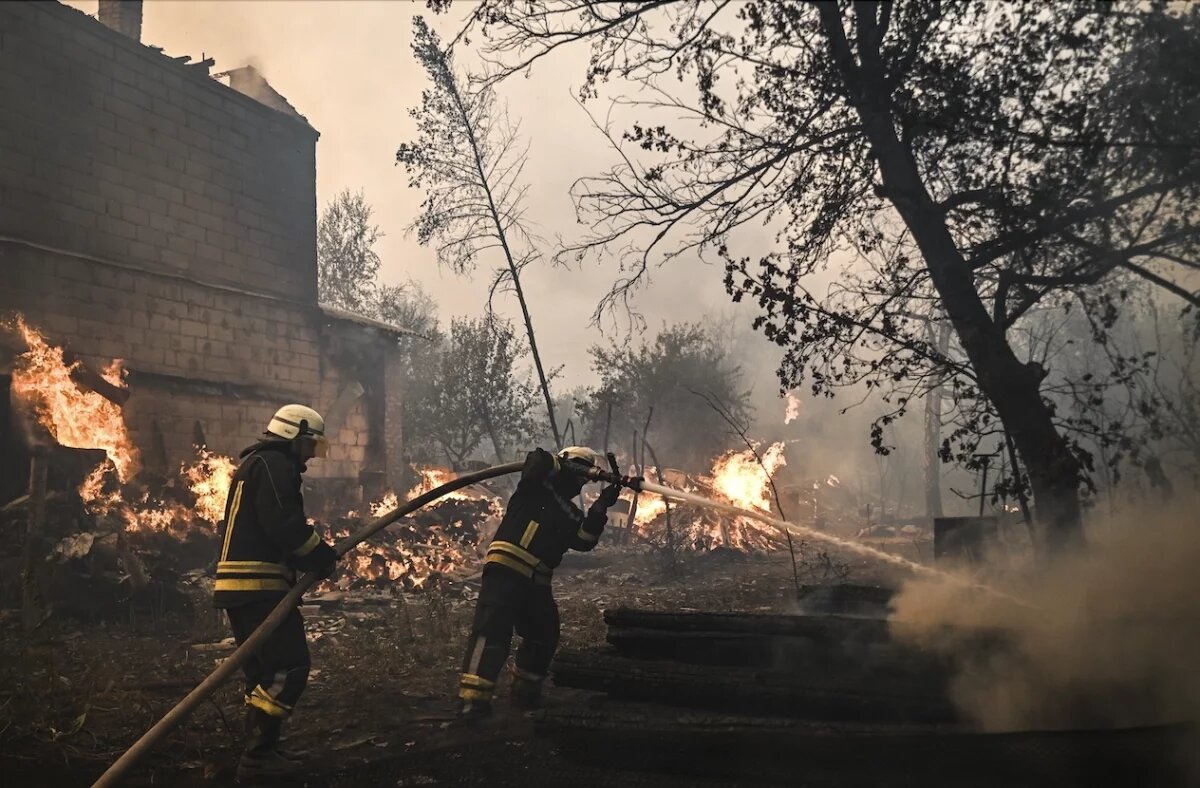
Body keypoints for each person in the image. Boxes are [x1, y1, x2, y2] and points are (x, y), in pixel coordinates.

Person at [213, 404, 339, 781]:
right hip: (258, 586)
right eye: (309, 446)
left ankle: (261, 754)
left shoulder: (257, 465)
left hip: (241, 588)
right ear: (292, 436)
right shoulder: (275, 465)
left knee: (263, 674)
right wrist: (320, 554)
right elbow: (284, 525)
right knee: (290, 665)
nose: (309, 458)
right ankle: (257, 757)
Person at [456, 446, 628, 720]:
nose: (581, 482)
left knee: (544, 634)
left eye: (584, 478)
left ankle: (525, 693)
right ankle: (472, 703)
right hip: (507, 570)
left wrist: (601, 506)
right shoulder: (534, 486)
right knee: (491, 633)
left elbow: (584, 541)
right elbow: (537, 459)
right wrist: (570, 466)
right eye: (579, 472)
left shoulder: (570, 511)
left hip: (537, 581)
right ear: (566, 466)